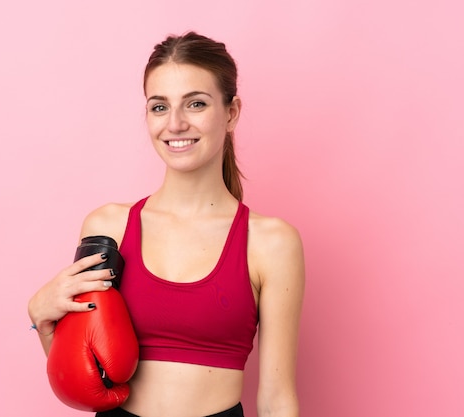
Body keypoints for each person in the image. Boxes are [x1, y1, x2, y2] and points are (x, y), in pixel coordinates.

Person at [28, 31, 305, 417]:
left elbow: (276, 400)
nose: (175, 124)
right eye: (159, 107)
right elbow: (83, 375)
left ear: (231, 113)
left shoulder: (271, 242)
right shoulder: (109, 225)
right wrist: (43, 320)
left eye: (195, 104)